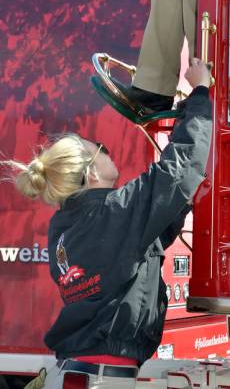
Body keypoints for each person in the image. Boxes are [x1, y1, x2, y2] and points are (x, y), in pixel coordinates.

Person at [8, 58, 212, 388]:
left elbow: (144, 241)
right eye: (100, 149)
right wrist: (200, 92)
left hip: (85, 370)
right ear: (90, 173)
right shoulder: (110, 214)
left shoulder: (64, 227)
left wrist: (181, 200)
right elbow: (179, 169)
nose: (108, 151)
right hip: (101, 378)